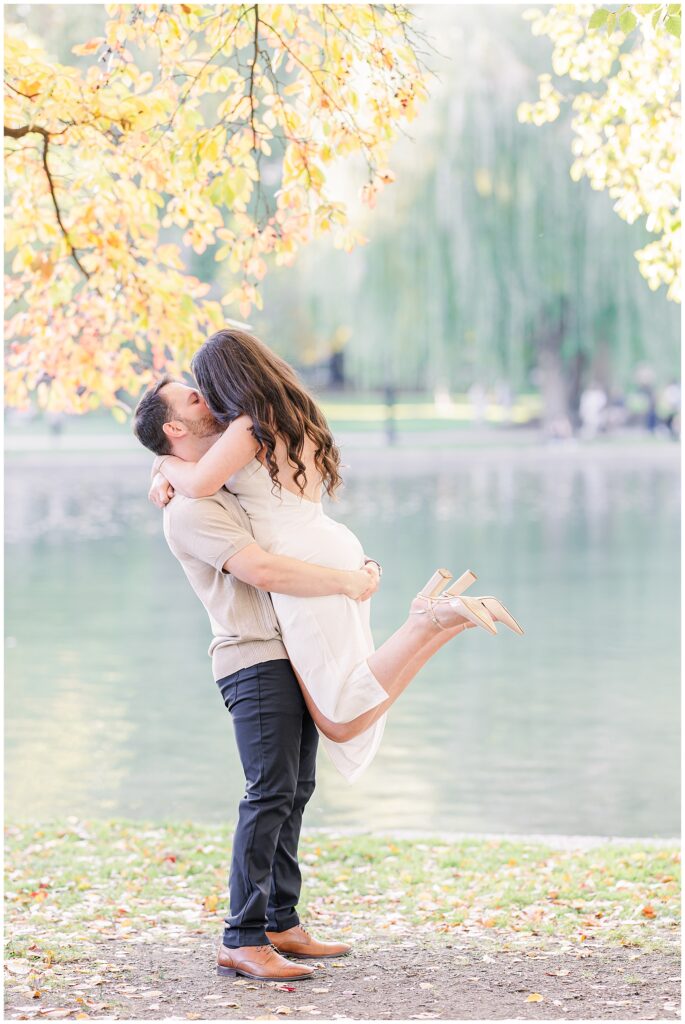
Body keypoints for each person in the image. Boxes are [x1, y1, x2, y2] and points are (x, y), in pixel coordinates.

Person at [139, 329, 524, 783]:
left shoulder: (245, 428)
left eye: (204, 387)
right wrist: (163, 465)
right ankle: (434, 622)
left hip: (299, 560)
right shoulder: (287, 413)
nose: (205, 396)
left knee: (338, 717)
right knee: (345, 699)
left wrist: (163, 464)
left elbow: (201, 480)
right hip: (329, 542)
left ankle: (427, 621)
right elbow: (205, 469)